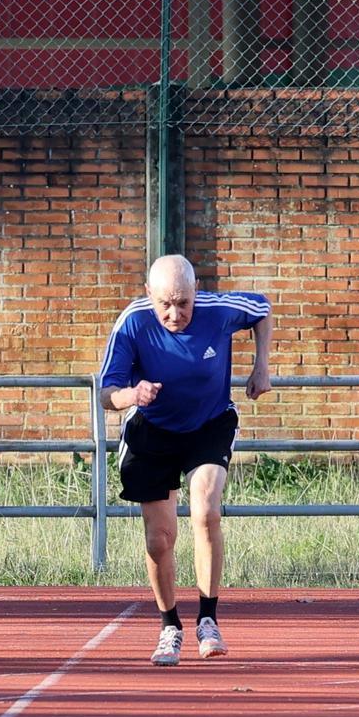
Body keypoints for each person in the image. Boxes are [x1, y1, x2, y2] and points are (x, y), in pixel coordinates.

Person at [99, 255, 272, 666]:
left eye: (183, 303)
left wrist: (261, 366)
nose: (175, 314)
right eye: (165, 304)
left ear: (196, 293)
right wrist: (132, 395)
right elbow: (107, 394)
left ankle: (208, 619)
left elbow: (263, 308)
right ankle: (170, 625)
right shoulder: (132, 322)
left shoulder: (219, 310)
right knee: (159, 538)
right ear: (149, 296)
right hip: (152, 429)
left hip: (208, 423)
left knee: (206, 511)